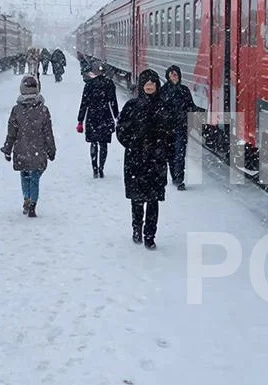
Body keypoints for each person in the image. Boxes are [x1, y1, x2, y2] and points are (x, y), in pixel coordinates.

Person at [116, 69, 175, 249]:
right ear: (141, 85)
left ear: (157, 85)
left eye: (152, 83)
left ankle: (150, 234)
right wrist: (133, 144)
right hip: (136, 160)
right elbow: (121, 130)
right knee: (137, 199)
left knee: (153, 200)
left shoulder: (164, 107)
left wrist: (165, 150)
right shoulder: (131, 106)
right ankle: (136, 228)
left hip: (156, 162)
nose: (149, 86)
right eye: (146, 83)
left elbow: (172, 134)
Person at [1, 75, 56, 217]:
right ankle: (33, 203)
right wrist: (51, 150)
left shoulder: (16, 110)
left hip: (21, 149)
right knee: (35, 176)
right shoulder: (43, 110)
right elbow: (48, 133)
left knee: (24, 174)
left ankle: (26, 198)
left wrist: (8, 149)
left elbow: (11, 133)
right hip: (38, 150)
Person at [160, 64, 204, 190]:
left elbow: (191, 105)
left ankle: (179, 180)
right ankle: (174, 176)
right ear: (168, 76)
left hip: (181, 127)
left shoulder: (184, 90)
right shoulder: (163, 91)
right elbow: (159, 108)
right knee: (171, 155)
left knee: (180, 153)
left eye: (176, 74)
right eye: (172, 74)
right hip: (167, 129)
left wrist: (198, 111)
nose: (175, 76)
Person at [77, 61, 119, 178]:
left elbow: (84, 103)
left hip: (92, 116)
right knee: (104, 144)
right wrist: (117, 117)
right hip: (105, 116)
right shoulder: (109, 84)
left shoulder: (89, 84)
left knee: (93, 143)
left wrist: (80, 120)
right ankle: (101, 168)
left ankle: (95, 168)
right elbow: (113, 102)